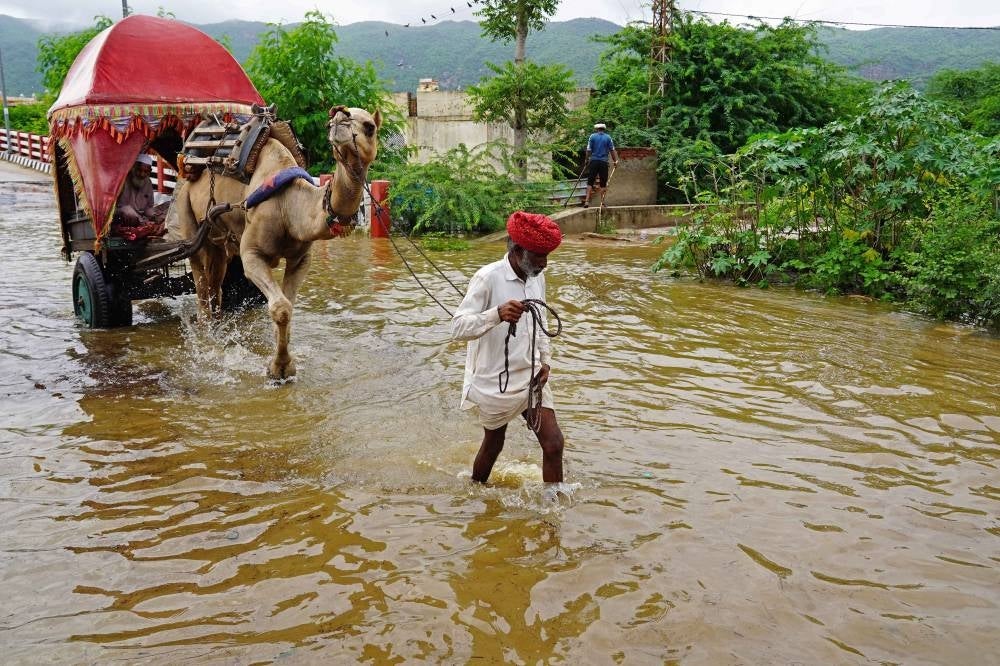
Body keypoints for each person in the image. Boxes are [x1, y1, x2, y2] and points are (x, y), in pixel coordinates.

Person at [451, 211, 566, 484]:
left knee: (554, 444)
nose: (545, 264)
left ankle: (552, 509)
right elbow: (457, 328)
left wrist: (545, 361)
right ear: (517, 251)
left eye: (547, 256)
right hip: (495, 380)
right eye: (539, 257)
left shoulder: (536, 276)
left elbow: (542, 322)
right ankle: (475, 489)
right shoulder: (487, 277)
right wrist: (496, 314)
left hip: (531, 375)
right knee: (494, 443)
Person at [114, 153, 166, 237]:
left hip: (141, 216)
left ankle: (152, 226)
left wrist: (154, 216)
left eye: (145, 172)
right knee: (128, 211)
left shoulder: (148, 182)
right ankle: (145, 226)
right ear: (134, 168)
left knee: (167, 206)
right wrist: (143, 221)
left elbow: (149, 207)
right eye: (139, 170)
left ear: (150, 171)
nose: (142, 174)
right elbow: (122, 206)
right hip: (124, 215)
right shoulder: (124, 180)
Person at [583, 122, 620, 208]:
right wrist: (615, 161)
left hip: (594, 161)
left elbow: (588, 149)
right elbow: (612, 150)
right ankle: (602, 203)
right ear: (604, 129)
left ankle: (587, 202)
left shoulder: (592, 136)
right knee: (603, 183)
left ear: (596, 129)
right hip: (603, 162)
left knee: (590, 181)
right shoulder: (608, 137)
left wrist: (586, 159)